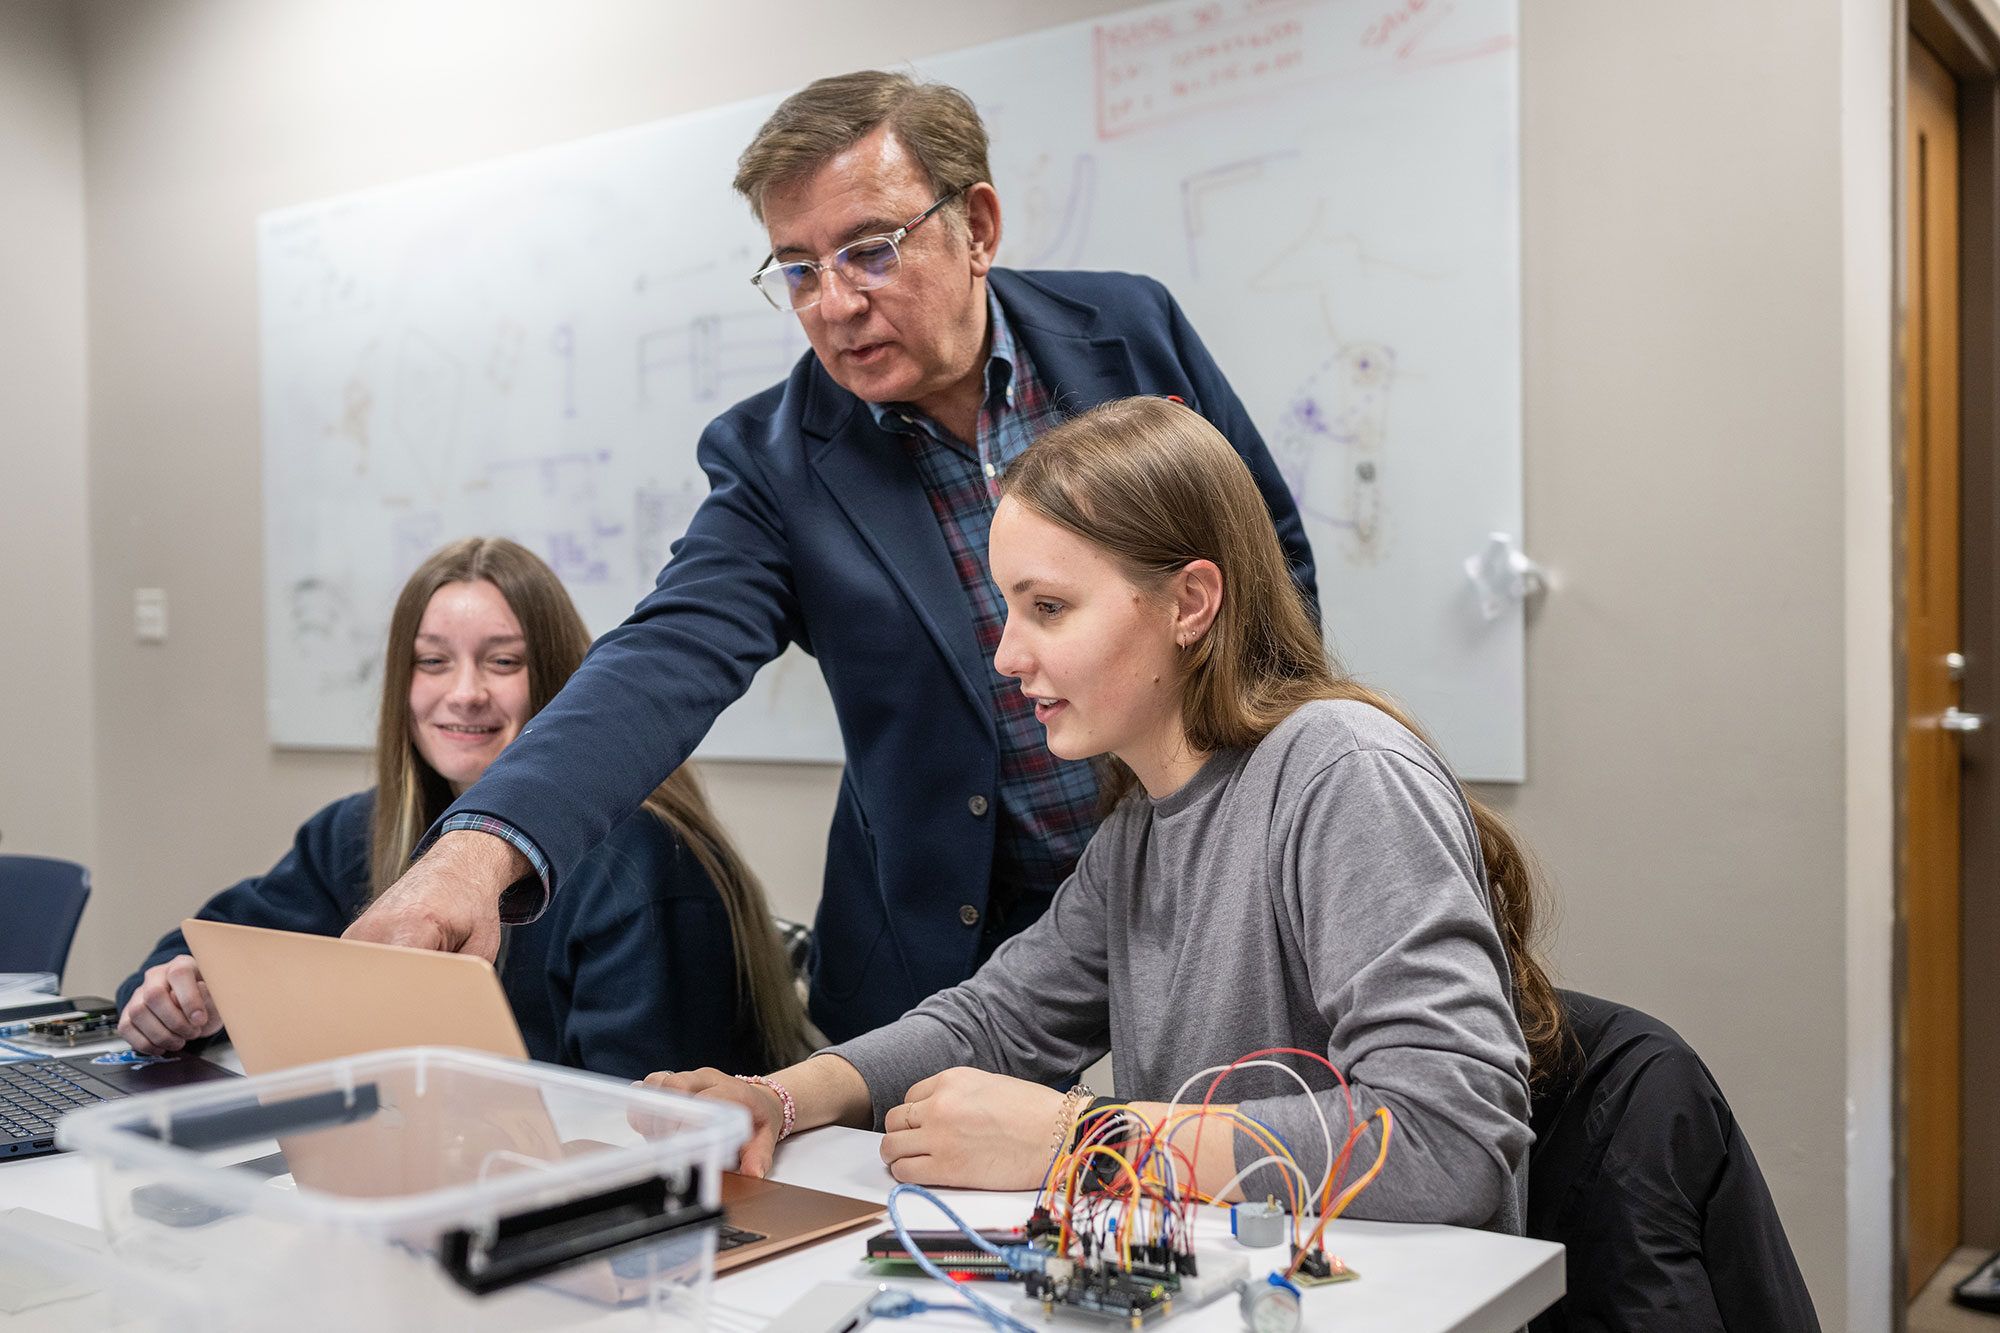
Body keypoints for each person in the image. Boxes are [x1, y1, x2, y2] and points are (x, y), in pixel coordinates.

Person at [343, 71, 1319, 1044]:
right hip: (944, 933)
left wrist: (1255, 812)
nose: (835, 304)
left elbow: (1268, 566)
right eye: (798, 270)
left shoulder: (1127, 333)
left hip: (1194, 870)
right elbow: (665, 656)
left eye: (869, 251)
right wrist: (478, 852)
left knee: (1221, 1166)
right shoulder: (773, 463)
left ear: (977, 226)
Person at [648, 398, 1558, 1234]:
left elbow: (1451, 1142)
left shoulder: (1340, 772)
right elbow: (990, 1022)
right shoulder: (1142, 826)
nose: (1007, 655)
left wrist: (1081, 1140)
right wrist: (780, 1097)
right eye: (1009, 609)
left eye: (1049, 607)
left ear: (1191, 602)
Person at [116, 537, 818, 1081]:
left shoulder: (640, 863)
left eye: (504, 662)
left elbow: (643, 1122)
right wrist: (182, 992)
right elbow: (212, 946)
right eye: (432, 662)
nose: (465, 693)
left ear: (570, 686)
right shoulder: (354, 832)